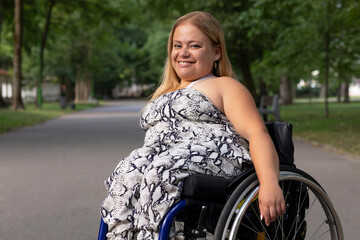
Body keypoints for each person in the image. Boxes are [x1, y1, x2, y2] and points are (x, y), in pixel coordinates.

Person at [100, 11, 285, 239]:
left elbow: (257, 133)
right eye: (177, 45)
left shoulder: (224, 86)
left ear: (216, 52)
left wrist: (269, 184)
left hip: (213, 158)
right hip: (164, 157)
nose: (183, 53)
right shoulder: (166, 92)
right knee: (127, 171)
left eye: (194, 46)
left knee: (159, 171)